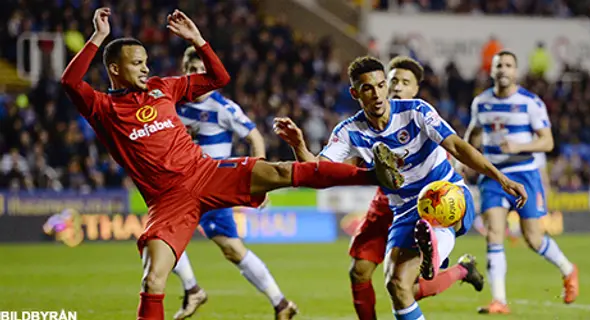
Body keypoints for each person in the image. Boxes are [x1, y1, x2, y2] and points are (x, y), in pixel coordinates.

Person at [61, 8, 403, 320]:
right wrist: (98, 37)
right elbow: (70, 82)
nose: (146, 67)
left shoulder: (162, 87)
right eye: (138, 63)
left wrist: (199, 41)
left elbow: (219, 78)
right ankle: (237, 298)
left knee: (283, 171)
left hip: (207, 172)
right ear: (115, 69)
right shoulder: (102, 108)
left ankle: (373, 174)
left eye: (146, 61)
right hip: (168, 201)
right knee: (154, 279)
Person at [274, 56, 527, 320]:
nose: (378, 94)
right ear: (355, 93)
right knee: (397, 286)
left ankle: (434, 250)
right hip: (404, 210)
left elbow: (457, 147)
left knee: (434, 218)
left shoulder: (416, 111)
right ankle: (436, 255)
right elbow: (318, 172)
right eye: (368, 88)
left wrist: (501, 178)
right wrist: (299, 146)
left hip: (446, 193)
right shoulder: (350, 131)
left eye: (381, 85)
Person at [170, 46, 295, 320]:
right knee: (161, 238)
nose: (193, 75)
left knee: (231, 249)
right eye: (189, 70)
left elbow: (255, 137)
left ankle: (280, 302)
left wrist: (260, 179)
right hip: (182, 188)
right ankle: (193, 290)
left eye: (199, 71)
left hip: (213, 186)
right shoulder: (173, 106)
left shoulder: (222, 107)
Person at [463, 50, 579, 315]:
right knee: (494, 232)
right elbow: (473, 132)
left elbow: (547, 142)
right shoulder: (481, 102)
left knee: (534, 239)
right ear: (491, 71)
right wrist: (463, 159)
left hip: (525, 175)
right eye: (498, 65)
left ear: (515, 71)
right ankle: (499, 301)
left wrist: (519, 146)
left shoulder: (531, 103)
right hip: (493, 177)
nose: (503, 69)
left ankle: (568, 269)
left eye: (508, 65)